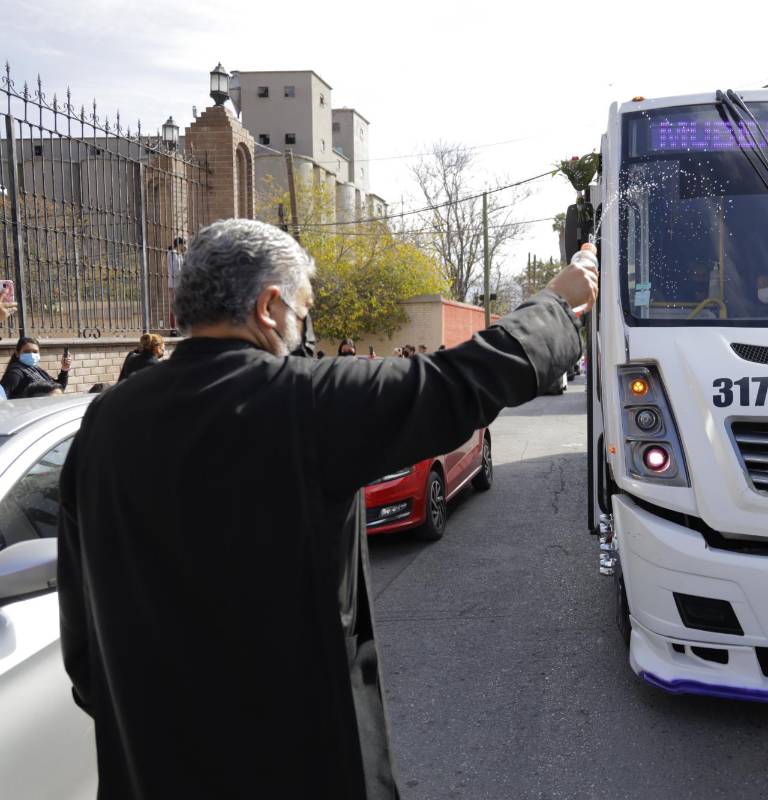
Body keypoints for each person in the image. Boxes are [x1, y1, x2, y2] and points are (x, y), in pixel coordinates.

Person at [56, 219, 596, 800]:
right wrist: (558, 302)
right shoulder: (299, 403)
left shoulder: (103, 424)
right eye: (303, 310)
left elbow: (84, 653)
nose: (302, 332)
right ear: (269, 306)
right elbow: (459, 383)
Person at [1, 336, 70, 398]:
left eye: (35, 352)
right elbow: (2, 396)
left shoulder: (35, 369)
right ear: (17, 353)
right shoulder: (15, 373)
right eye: (27, 351)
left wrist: (64, 369)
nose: (31, 355)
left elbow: (58, 388)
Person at [167, 236, 186, 334]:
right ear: (179, 244)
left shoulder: (179, 254)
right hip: (174, 284)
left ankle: (178, 328)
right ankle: (173, 329)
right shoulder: (172, 254)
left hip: (179, 283)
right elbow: (175, 270)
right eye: (183, 244)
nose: (184, 246)